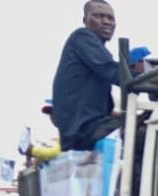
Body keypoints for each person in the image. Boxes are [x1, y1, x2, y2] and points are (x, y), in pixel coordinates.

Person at [52, 0, 121, 152]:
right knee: (144, 134)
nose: (106, 22)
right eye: (99, 16)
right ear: (85, 20)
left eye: (110, 18)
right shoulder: (82, 37)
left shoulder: (93, 51)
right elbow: (113, 71)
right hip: (85, 130)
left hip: (84, 129)